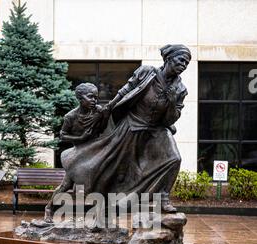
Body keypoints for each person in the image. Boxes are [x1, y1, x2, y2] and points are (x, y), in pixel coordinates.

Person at [48, 44, 191, 219]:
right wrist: (110, 106)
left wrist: (170, 101)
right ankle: (103, 208)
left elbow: (171, 118)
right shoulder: (146, 72)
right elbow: (126, 90)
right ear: (169, 58)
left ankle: (163, 197)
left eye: (187, 62)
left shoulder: (180, 89)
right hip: (132, 125)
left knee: (174, 158)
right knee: (115, 170)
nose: (184, 64)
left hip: (157, 129)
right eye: (181, 60)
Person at [44, 82, 109, 221]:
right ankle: (49, 208)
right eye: (90, 97)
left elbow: (102, 129)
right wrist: (80, 138)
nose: (94, 100)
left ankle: (98, 217)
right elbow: (62, 135)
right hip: (78, 155)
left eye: (96, 97)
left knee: (98, 183)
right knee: (66, 185)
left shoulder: (98, 111)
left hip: (94, 153)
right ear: (80, 98)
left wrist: (105, 116)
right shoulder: (71, 116)